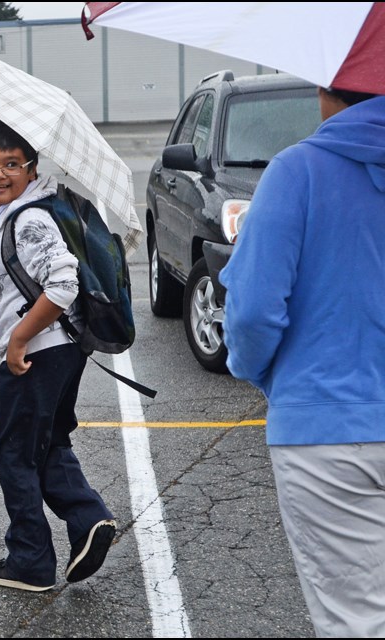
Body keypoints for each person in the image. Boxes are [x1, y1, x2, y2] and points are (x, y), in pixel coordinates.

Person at [220, 87, 385, 637]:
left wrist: (266, 375)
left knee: (357, 620)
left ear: (326, 88)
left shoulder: (299, 170)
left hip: (326, 428)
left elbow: (252, 314)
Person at [0, 120, 116, 592]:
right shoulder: (23, 209)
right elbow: (20, 253)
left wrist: (20, 339)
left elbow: (62, 283)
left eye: (11, 165)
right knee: (47, 441)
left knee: (13, 453)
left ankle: (30, 560)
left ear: (32, 168)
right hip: (64, 350)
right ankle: (88, 520)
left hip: (40, 352)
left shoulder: (31, 217)